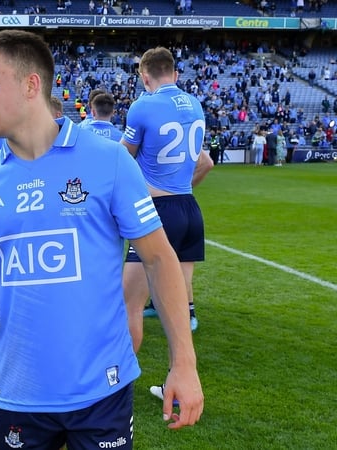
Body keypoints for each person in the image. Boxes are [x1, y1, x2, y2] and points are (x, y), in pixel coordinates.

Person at [0, 30, 204, 449]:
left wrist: (184, 363)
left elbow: (159, 261)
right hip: (18, 393)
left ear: (32, 85)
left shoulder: (107, 161)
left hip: (101, 390)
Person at [119, 46, 212, 401]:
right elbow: (205, 163)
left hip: (158, 212)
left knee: (129, 304)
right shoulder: (196, 104)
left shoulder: (144, 104)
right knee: (177, 309)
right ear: (174, 72)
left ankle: (115, 384)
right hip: (189, 207)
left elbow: (123, 160)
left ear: (145, 76)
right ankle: (180, 381)